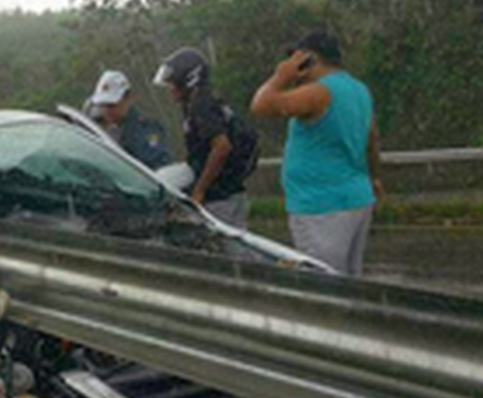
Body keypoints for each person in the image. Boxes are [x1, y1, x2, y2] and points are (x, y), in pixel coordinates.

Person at [251, 30, 382, 275]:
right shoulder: (359, 89)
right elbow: (372, 139)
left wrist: (281, 77)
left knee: (323, 284)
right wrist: (374, 178)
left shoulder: (318, 92)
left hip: (321, 204)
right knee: (350, 280)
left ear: (309, 59)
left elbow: (261, 104)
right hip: (357, 198)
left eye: (296, 59)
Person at [154, 48, 259, 229]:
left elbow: (221, 147)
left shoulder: (200, 106)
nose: (169, 88)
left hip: (220, 197)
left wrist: (199, 191)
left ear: (187, 79)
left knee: (229, 251)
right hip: (228, 191)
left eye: (172, 82)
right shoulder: (205, 100)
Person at [87, 70, 171, 169]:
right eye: (102, 105)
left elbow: (158, 166)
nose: (106, 111)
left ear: (127, 98)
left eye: (111, 105)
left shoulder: (147, 130)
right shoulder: (95, 129)